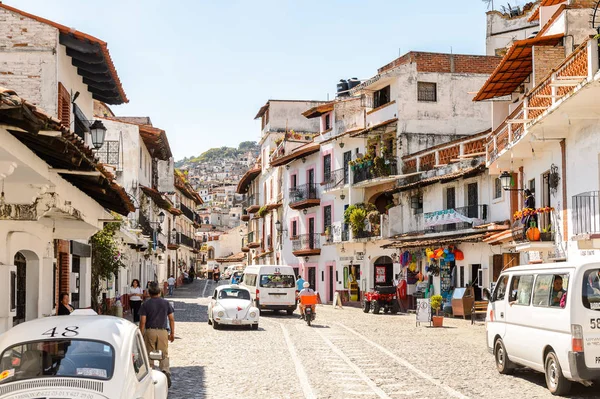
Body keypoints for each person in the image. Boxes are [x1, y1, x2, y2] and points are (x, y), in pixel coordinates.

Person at [139, 282, 174, 388]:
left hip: (150, 331)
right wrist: (172, 333)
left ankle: (150, 374)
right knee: (163, 354)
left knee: (149, 354)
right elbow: (171, 319)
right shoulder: (166, 303)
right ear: (159, 292)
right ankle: (165, 371)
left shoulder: (145, 304)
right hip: (163, 331)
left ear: (149, 293)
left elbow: (143, 322)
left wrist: (140, 334)